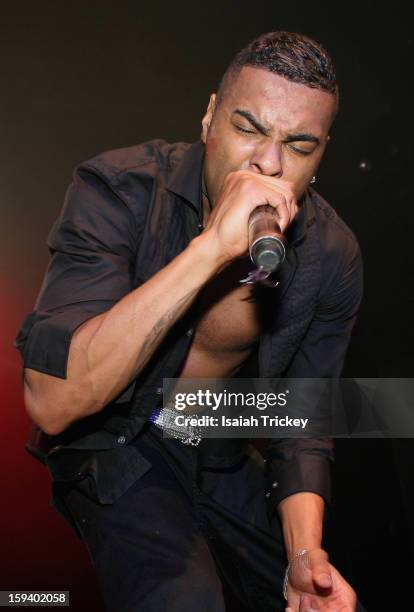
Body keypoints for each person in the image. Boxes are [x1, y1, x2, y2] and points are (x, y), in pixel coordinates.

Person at [15, 31, 365, 612]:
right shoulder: (120, 189)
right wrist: (209, 250)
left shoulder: (332, 255)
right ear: (209, 118)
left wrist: (306, 557)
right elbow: (53, 401)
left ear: (321, 153)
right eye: (248, 128)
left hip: (219, 441)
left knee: (320, 599)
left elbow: (303, 419)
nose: (269, 163)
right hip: (123, 433)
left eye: (299, 145)